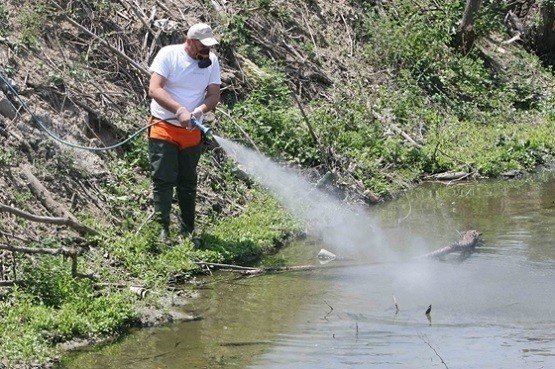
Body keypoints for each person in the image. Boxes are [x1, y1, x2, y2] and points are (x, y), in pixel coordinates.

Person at [147, 22, 221, 243]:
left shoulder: (212, 62)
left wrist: (198, 111)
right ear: (190, 41)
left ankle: (188, 231)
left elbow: (214, 95)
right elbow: (155, 88)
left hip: (191, 132)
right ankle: (162, 231)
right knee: (163, 178)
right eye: (203, 46)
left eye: (209, 47)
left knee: (188, 180)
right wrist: (179, 110)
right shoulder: (169, 55)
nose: (206, 51)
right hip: (164, 126)